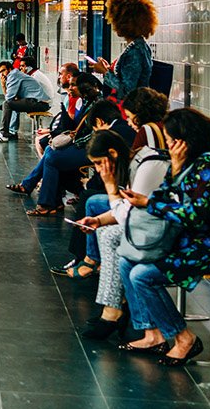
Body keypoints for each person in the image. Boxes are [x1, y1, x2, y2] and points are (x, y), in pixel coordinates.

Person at [79, 108, 210, 365]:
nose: (170, 145)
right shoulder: (196, 161)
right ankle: (153, 333)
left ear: (187, 139)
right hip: (195, 244)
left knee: (143, 275)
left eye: (172, 140)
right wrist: (173, 169)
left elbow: (192, 214)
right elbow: (168, 196)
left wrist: (149, 203)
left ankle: (183, 338)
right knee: (126, 259)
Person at [52, 88, 169, 283]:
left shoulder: (145, 134)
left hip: (147, 215)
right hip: (148, 204)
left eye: (131, 117)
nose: (129, 123)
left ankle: (88, 260)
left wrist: (112, 188)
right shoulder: (158, 129)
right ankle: (90, 261)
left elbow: (128, 210)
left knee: (92, 201)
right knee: (92, 200)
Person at [89, 0, 157, 101]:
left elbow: (127, 91)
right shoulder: (140, 46)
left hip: (130, 110)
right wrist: (109, 70)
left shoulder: (134, 51)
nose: (113, 25)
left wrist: (105, 72)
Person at [0, 57, 51, 143]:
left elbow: (8, 98)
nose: (2, 74)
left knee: (7, 104)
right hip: (39, 102)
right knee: (11, 104)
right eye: (0, 72)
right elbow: (12, 98)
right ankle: (12, 132)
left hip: (40, 103)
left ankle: (4, 134)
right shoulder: (15, 74)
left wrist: (3, 85)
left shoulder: (13, 75)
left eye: (3, 71)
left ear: (9, 69)